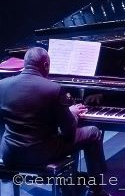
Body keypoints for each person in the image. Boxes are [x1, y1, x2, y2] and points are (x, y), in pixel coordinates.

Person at [0, 47, 111, 196]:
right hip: (42, 153)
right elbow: (69, 131)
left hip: (10, 152)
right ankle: (96, 191)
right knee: (93, 132)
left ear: (25, 64)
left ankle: (70, 185)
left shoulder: (2, 85)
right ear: (45, 65)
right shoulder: (52, 88)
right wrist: (71, 113)